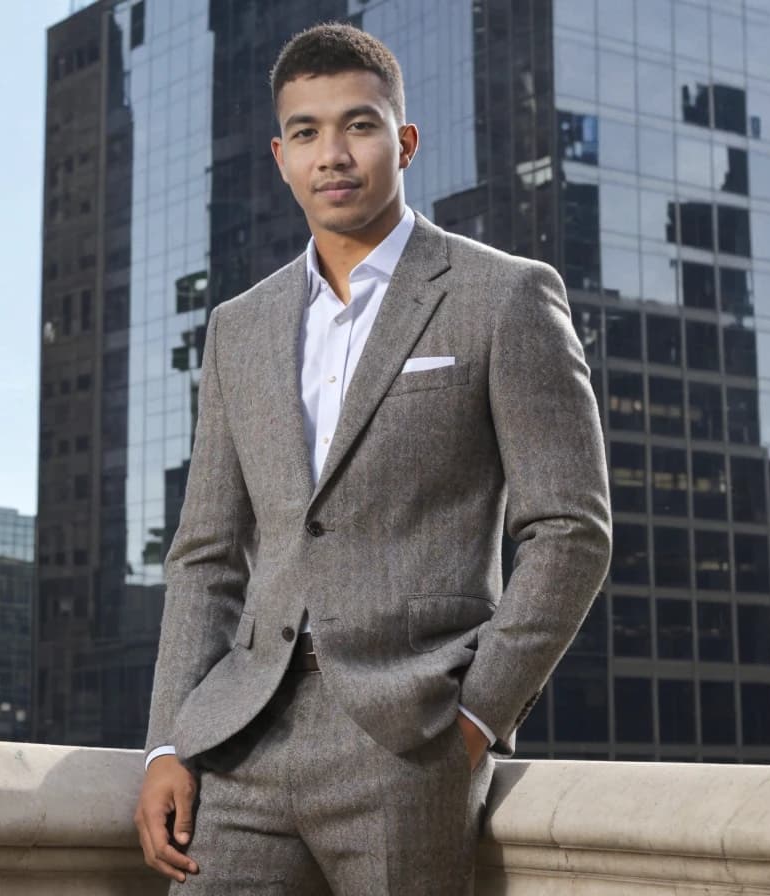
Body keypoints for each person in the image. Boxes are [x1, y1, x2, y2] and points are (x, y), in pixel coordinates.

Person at [133, 22, 611, 895]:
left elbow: (569, 529)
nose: (334, 155)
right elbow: (205, 554)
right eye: (307, 133)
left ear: (405, 141)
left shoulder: (504, 296)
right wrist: (171, 738)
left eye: (359, 125)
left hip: (406, 735)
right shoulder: (238, 327)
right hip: (243, 737)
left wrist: (473, 718)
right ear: (281, 157)